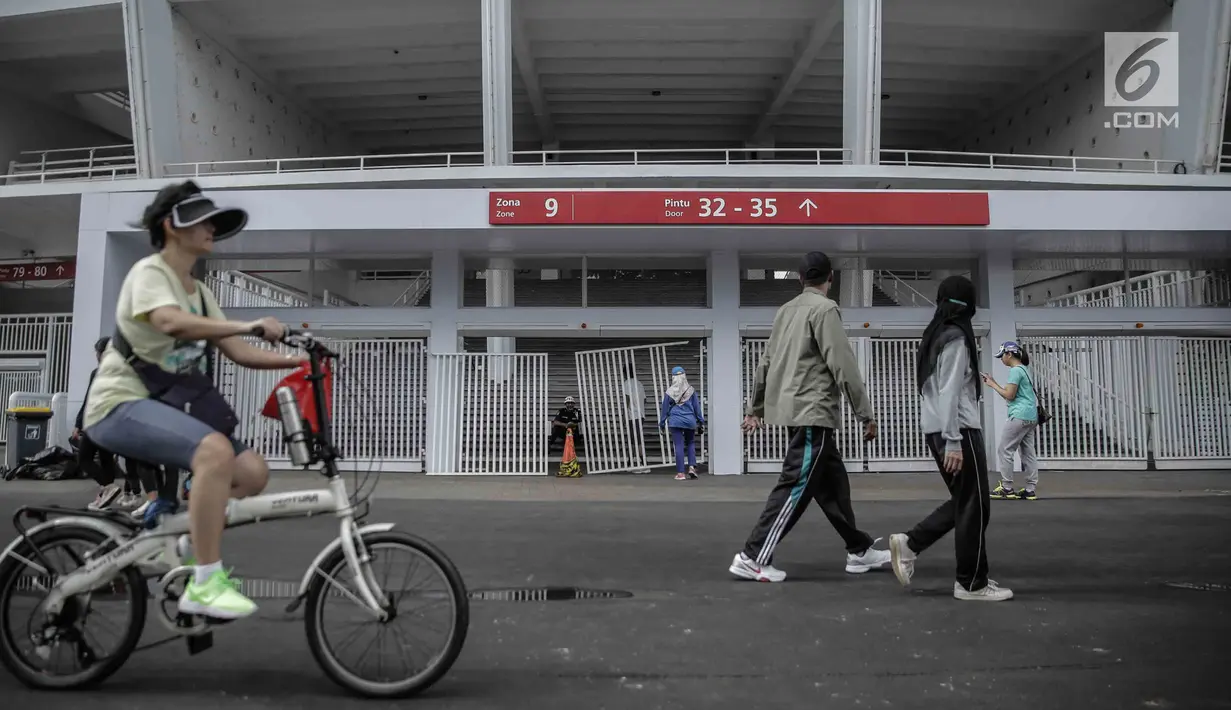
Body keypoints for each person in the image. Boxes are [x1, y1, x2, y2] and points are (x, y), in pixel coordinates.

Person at [82, 180, 306, 621]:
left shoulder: (201, 294)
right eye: (202, 221)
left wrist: (296, 360)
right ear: (172, 226)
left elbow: (240, 353)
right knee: (215, 452)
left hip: (165, 407)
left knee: (252, 473)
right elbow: (170, 323)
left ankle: (186, 533)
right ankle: (205, 583)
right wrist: (249, 324)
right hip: (117, 406)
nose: (211, 229)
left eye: (212, 223)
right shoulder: (150, 273)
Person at [731, 251, 890, 583]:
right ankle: (752, 556)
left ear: (800, 278)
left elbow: (766, 362)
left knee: (832, 485)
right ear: (830, 279)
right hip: (812, 411)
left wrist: (754, 409)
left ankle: (858, 551)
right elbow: (843, 363)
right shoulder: (825, 309)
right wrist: (866, 413)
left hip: (792, 410)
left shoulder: (785, 311)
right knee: (795, 484)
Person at [887, 275, 1013, 602]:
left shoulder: (935, 335)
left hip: (937, 430)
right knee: (975, 506)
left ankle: (912, 544)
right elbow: (950, 391)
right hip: (958, 430)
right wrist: (954, 439)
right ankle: (971, 583)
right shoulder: (956, 338)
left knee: (968, 503)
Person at [73, 336, 141, 510]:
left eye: (98, 352)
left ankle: (108, 487)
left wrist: (79, 423)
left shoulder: (99, 373)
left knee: (84, 458)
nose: (96, 356)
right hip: (113, 423)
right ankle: (105, 498)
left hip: (96, 420)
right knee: (106, 459)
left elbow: (89, 399)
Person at [982, 341, 1039, 501]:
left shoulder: (1015, 371)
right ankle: (1030, 489)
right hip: (1031, 416)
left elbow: (1010, 395)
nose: (1001, 359)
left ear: (1009, 354)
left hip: (1019, 415)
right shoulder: (1024, 370)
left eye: (1002, 356)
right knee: (1028, 453)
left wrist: (992, 384)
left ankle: (1007, 488)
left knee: (1004, 450)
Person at [659, 366, 704, 480]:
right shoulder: (691, 390)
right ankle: (692, 468)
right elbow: (697, 408)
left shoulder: (669, 392)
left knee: (678, 445)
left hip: (675, 421)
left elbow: (664, 409)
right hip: (690, 421)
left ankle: (680, 473)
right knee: (690, 443)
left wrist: (662, 423)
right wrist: (701, 421)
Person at [622, 365, 650, 473]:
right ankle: (630, 462)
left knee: (636, 440)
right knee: (634, 439)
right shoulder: (639, 384)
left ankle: (643, 463)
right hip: (640, 415)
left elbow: (627, 399)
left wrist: (624, 414)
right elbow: (645, 400)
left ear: (625, 373)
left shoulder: (627, 383)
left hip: (632, 415)